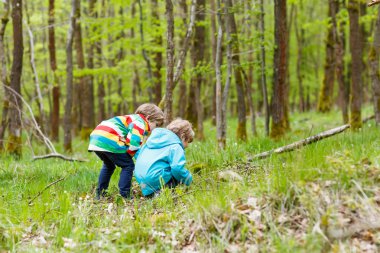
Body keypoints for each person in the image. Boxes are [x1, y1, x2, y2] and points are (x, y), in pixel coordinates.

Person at [88, 103, 164, 199]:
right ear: (148, 118)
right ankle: (125, 194)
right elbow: (133, 144)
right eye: (156, 125)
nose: (154, 129)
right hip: (109, 139)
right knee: (128, 165)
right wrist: (138, 157)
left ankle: (100, 194)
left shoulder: (130, 119)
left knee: (109, 165)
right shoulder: (140, 122)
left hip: (97, 139)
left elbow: (127, 141)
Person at [134, 118, 194, 197]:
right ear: (183, 136)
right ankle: (162, 191)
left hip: (141, 181)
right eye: (188, 141)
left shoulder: (151, 141)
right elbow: (177, 168)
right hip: (154, 179)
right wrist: (188, 179)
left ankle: (151, 193)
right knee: (176, 173)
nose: (187, 145)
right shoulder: (175, 146)